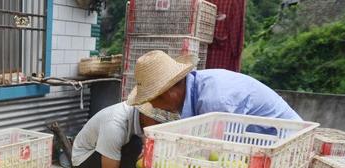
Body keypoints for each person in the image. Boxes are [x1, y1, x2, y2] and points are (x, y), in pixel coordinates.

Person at [127, 50, 301, 121]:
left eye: (151, 100)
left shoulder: (214, 101)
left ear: (168, 93)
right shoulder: (198, 88)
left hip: (285, 146)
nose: (153, 106)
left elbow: (221, 154)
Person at [70, 101, 179, 168]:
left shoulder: (140, 118)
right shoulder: (115, 125)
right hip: (84, 160)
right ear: (146, 115)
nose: (159, 125)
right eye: (158, 122)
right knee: (134, 146)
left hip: (111, 148)